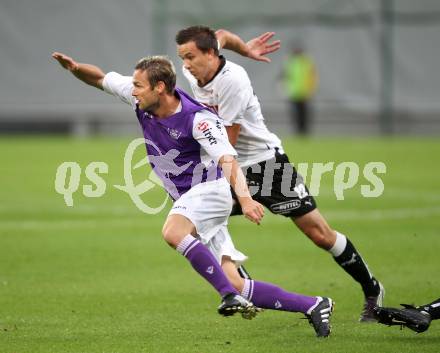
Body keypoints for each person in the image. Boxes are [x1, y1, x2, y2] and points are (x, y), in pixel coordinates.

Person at [52, 52, 334, 337]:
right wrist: (74, 69)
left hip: (209, 190)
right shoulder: (141, 98)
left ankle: (227, 296)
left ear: (159, 87)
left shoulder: (199, 120)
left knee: (173, 232)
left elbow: (227, 159)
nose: (133, 91)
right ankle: (314, 305)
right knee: (237, 282)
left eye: (138, 85)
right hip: (190, 198)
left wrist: (246, 200)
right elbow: (100, 77)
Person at [175, 25, 384, 322]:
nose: (185, 64)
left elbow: (228, 144)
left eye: (190, 56)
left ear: (211, 54)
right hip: (229, 166)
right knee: (194, 224)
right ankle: (240, 289)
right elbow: (222, 33)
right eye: (182, 57)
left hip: (266, 165)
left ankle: (373, 289)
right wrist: (245, 48)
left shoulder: (233, 81)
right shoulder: (196, 66)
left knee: (319, 234)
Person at [282, 44, 318, 135]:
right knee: (295, 113)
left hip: (304, 92)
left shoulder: (306, 61)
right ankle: (298, 131)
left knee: (304, 113)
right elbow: (286, 76)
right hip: (294, 92)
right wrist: (286, 89)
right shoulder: (290, 61)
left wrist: (311, 90)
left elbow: (312, 76)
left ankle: (304, 131)